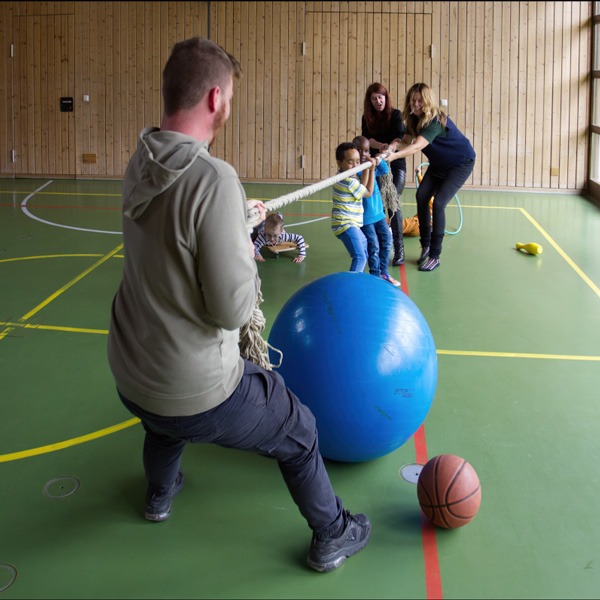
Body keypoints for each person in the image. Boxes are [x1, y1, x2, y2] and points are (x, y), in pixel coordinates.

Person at [107, 37, 370, 573]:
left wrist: (231, 222)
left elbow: (178, 232)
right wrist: (243, 241)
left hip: (132, 373)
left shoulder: (141, 159)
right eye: (228, 97)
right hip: (193, 388)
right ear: (213, 98)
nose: (229, 106)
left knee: (161, 425)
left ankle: (160, 495)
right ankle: (333, 532)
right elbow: (231, 310)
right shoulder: (213, 178)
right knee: (299, 431)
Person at [383, 83, 475, 271]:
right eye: (413, 100)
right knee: (421, 196)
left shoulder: (435, 121)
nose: (416, 104)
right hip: (439, 164)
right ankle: (425, 245)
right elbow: (406, 140)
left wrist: (394, 156)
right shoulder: (412, 119)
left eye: (420, 101)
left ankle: (435, 255)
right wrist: (392, 147)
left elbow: (416, 146)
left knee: (439, 202)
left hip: (460, 163)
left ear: (428, 101)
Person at [361, 82, 407, 266]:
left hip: (395, 163)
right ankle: (379, 244)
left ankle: (399, 248)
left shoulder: (396, 115)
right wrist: (380, 147)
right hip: (377, 165)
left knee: (392, 201)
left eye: (380, 97)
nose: (378, 101)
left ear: (386, 97)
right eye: (374, 98)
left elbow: (399, 139)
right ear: (370, 101)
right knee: (376, 204)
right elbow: (367, 139)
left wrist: (388, 151)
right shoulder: (367, 117)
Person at [352, 135, 400, 288]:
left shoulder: (369, 164)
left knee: (387, 241)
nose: (362, 154)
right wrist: (369, 167)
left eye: (366, 151)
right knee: (374, 246)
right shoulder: (355, 171)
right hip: (365, 218)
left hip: (379, 214)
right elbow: (364, 185)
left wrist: (377, 159)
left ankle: (384, 271)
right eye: (359, 151)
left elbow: (384, 170)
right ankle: (375, 275)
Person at [331, 141, 377, 272]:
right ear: (340, 163)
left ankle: (357, 279)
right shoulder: (348, 181)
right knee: (360, 257)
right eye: (350, 162)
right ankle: (352, 285)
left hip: (351, 224)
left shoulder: (345, 174)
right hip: (346, 224)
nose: (355, 166)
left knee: (364, 250)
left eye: (358, 162)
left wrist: (366, 168)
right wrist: (372, 170)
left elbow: (361, 185)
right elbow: (368, 193)